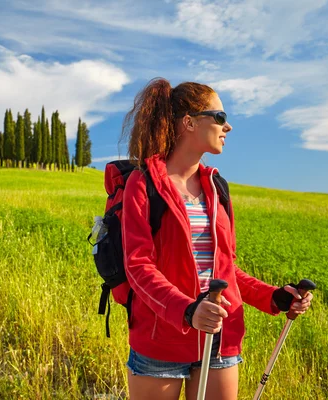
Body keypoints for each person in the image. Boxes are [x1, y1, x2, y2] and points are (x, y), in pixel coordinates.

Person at [120, 78, 313, 400]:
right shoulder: (144, 184)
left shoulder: (216, 186)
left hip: (221, 336)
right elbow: (138, 266)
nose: (229, 127)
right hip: (161, 339)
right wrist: (187, 310)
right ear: (189, 122)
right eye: (220, 117)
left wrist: (273, 297)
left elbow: (226, 269)